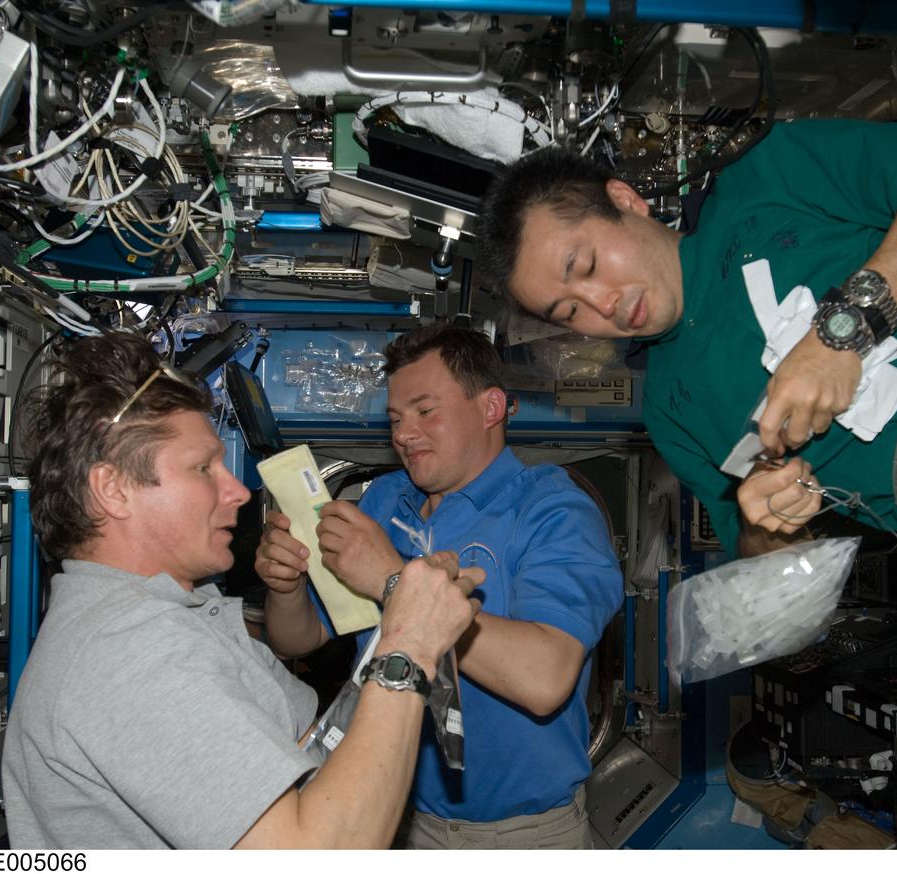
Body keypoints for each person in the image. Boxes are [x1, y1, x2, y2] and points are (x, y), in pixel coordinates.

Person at [477, 117, 897, 622]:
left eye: (586, 266)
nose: (602, 305)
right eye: (570, 310)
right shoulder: (672, 414)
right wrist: (769, 528)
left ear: (625, 200)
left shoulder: (766, 177)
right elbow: (769, 570)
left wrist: (845, 328)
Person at [2, 331, 481, 849]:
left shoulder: (180, 610)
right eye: (202, 468)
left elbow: (307, 753)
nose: (235, 491)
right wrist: (407, 648)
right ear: (113, 490)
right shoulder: (127, 653)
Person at [257, 324, 623, 848]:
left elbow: (546, 679)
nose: (404, 433)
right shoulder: (383, 502)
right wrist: (286, 584)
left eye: (426, 411)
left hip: (523, 836)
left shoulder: (553, 512)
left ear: (491, 408)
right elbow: (299, 639)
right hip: (402, 819)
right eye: (396, 419)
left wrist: (391, 581)